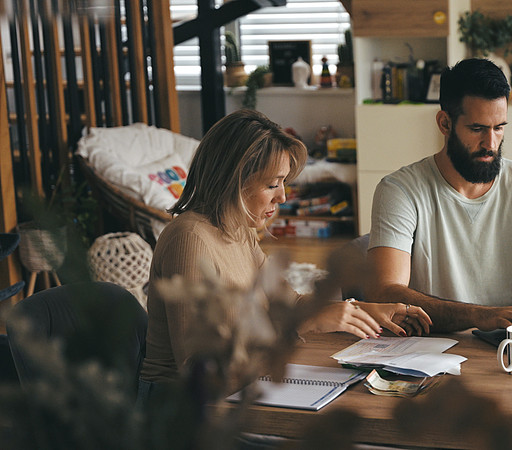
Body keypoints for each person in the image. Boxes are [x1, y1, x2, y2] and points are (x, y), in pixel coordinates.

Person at [139, 110, 431, 391]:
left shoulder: (237, 231)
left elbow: (289, 303)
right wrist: (306, 323)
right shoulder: (189, 239)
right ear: (234, 181)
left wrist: (358, 310)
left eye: (283, 183)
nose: (282, 196)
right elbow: (201, 374)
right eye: (272, 185)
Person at [366, 58, 512, 333]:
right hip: (430, 350)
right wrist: (479, 317)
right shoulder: (400, 191)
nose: (490, 144)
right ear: (445, 123)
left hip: (509, 347)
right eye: (477, 129)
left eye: (499, 127)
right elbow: (384, 294)